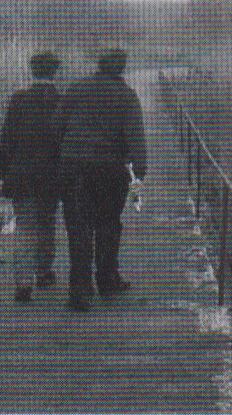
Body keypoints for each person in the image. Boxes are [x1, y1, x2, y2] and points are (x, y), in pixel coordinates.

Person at [56, 48, 147, 312]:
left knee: (78, 227)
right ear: (121, 68)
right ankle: (107, 279)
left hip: (73, 165)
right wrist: (138, 174)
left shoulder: (76, 89)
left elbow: (57, 126)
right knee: (109, 223)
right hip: (110, 169)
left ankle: (80, 290)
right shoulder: (127, 96)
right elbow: (135, 137)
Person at [0, 51, 62, 303]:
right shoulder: (61, 100)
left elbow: (6, 140)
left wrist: (4, 172)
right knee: (47, 222)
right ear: (55, 72)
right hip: (51, 176)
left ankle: (23, 283)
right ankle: (43, 271)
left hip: (22, 175)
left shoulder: (18, 100)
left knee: (24, 227)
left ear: (32, 72)